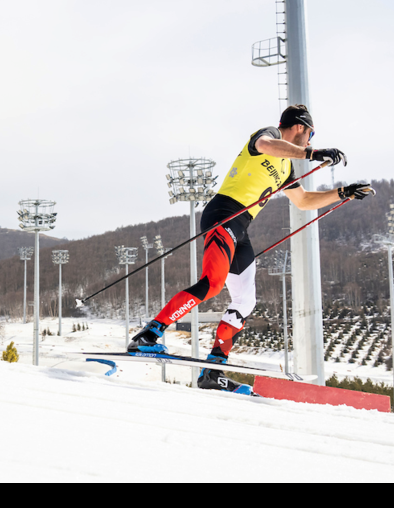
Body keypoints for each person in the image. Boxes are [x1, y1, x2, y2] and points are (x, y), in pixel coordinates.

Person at [129, 105, 374, 391]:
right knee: (212, 284)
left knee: (245, 300)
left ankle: (213, 369)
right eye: (311, 135)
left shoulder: (286, 167)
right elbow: (267, 145)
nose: (310, 140)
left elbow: (304, 201)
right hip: (223, 213)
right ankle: (147, 336)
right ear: (300, 127)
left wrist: (342, 193)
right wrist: (313, 153)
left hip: (241, 226)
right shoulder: (267, 136)